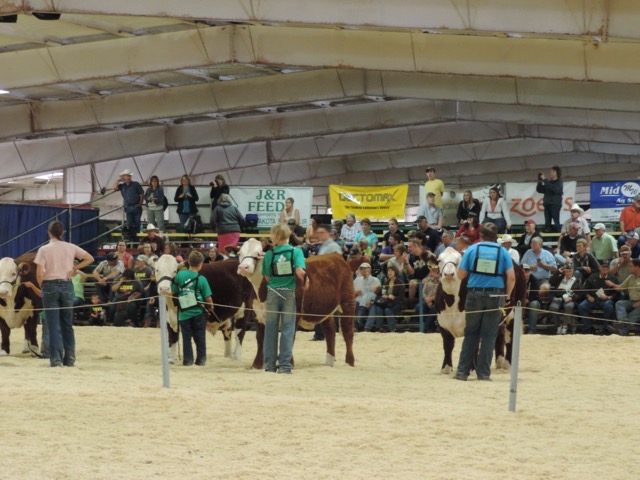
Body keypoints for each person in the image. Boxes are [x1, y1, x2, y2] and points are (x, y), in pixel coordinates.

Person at [454, 223, 515, 381]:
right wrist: (507, 295)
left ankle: (462, 372)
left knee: (471, 334)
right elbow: (512, 277)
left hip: (474, 295)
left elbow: (460, 275)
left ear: (480, 235)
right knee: (489, 336)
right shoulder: (502, 252)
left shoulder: (472, 249)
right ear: (496, 236)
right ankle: (483, 374)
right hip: (495, 297)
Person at [34, 220, 94, 367]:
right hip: (67, 285)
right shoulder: (71, 247)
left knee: (53, 325)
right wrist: (75, 269)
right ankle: (70, 359)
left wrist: (43, 286)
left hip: (50, 285)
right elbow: (90, 258)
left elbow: (39, 274)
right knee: (67, 324)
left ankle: (56, 360)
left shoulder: (44, 249)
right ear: (62, 233)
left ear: (49, 232)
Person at [261, 224, 308, 373]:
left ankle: (269, 366)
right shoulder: (296, 252)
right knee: (288, 329)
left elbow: (267, 277)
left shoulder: (269, 254)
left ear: (276, 237)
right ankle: (285, 366)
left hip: (273, 292)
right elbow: (300, 271)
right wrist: (305, 279)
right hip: (289, 293)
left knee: (271, 329)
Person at [171, 250, 214, 366]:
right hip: (198, 312)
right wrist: (211, 308)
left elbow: (173, 291)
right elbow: (208, 298)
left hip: (184, 313)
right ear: (201, 264)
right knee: (200, 338)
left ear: (189, 262)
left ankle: (188, 361)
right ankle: (201, 361)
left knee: (186, 338)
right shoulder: (202, 279)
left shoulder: (180, 275)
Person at [577, 261, 618, 334]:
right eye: (603, 269)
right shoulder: (593, 276)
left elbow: (617, 292)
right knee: (582, 306)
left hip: (606, 300)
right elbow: (585, 289)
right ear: (600, 269)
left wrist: (609, 297)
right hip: (593, 299)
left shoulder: (612, 278)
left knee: (608, 306)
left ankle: (606, 327)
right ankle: (588, 327)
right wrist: (588, 296)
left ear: (608, 270)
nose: (604, 271)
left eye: (606, 269)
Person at [364, 265, 405, 332]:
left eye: (391, 271)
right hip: (387, 302)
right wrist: (383, 295)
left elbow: (401, 297)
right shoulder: (386, 282)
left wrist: (394, 297)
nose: (390, 272)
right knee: (377, 307)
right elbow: (381, 293)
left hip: (396, 303)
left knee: (387, 310)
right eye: (388, 271)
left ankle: (392, 329)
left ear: (395, 272)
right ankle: (379, 328)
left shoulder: (400, 283)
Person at [605, 259, 640, 336]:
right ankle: (622, 322)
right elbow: (620, 288)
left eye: (631, 266)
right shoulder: (631, 277)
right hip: (632, 302)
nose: (629, 268)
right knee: (620, 303)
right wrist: (611, 284)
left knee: (634, 314)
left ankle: (621, 330)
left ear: (637, 267)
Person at [548, 264, 581, 335]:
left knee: (568, 307)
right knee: (553, 307)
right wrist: (558, 272)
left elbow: (579, 293)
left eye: (570, 271)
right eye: (566, 271)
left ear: (573, 271)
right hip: (558, 297)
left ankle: (565, 325)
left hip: (570, 298)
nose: (568, 273)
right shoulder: (560, 278)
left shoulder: (577, 280)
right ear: (564, 272)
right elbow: (551, 281)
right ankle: (558, 325)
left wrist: (572, 298)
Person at [112, 169, 144, 242]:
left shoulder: (136, 184)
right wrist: (118, 180)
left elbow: (142, 194)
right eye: (127, 176)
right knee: (129, 224)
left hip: (136, 206)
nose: (129, 177)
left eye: (129, 176)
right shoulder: (122, 186)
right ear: (123, 177)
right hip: (128, 207)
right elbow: (113, 187)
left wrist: (139, 204)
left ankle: (136, 241)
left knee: (137, 224)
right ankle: (132, 241)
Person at [353, 262, 381, 331]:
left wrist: (371, 301)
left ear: (370, 269)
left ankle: (366, 327)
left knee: (373, 306)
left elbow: (377, 294)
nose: (364, 270)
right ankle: (358, 325)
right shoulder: (357, 280)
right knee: (355, 304)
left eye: (366, 268)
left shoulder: (375, 280)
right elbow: (352, 293)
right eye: (362, 269)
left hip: (371, 301)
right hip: (358, 301)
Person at [536, 166, 564, 233]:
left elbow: (554, 189)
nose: (551, 173)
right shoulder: (548, 182)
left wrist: (545, 180)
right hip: (547, 204)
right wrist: (540, 181)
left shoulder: (559, 182)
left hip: (555, 205)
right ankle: (548, 235)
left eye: (553, 171)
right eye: (551, 171)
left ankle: (559, 236)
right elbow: (539, 190)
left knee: (556, 222)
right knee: (547, 223)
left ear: (557, 173)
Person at [522, 264, 542, 334]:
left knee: (534, 304)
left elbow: (535, 294)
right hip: (519, 301)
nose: (526, 273)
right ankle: (515, 329)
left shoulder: (534, 280)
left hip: (532, 300)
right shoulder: (516, 279)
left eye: (527, 271)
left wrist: (528, 300)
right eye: (524, 271)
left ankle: (532, 329)